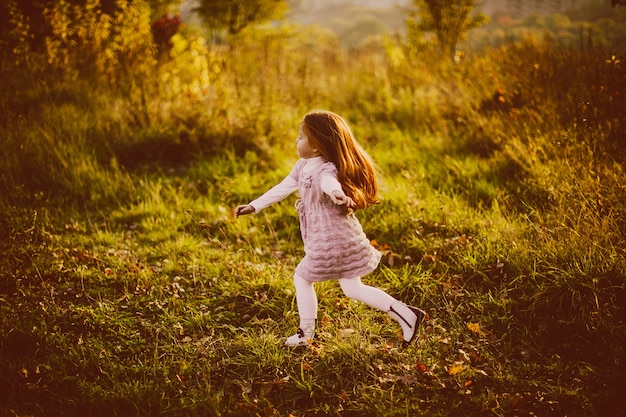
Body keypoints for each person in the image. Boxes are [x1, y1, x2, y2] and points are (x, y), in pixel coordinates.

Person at [235, 110, 427, 347]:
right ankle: (407, 315)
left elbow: (329, 183)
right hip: (339, 235)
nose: (296, 140)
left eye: (300, 137)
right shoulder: (303, 166)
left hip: (332, 239)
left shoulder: (325, 169)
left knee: (302, 277)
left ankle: (306, 334)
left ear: (315, 146)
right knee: (352, 288)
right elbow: (283, 187)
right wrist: (254, 206)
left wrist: (337, 194)